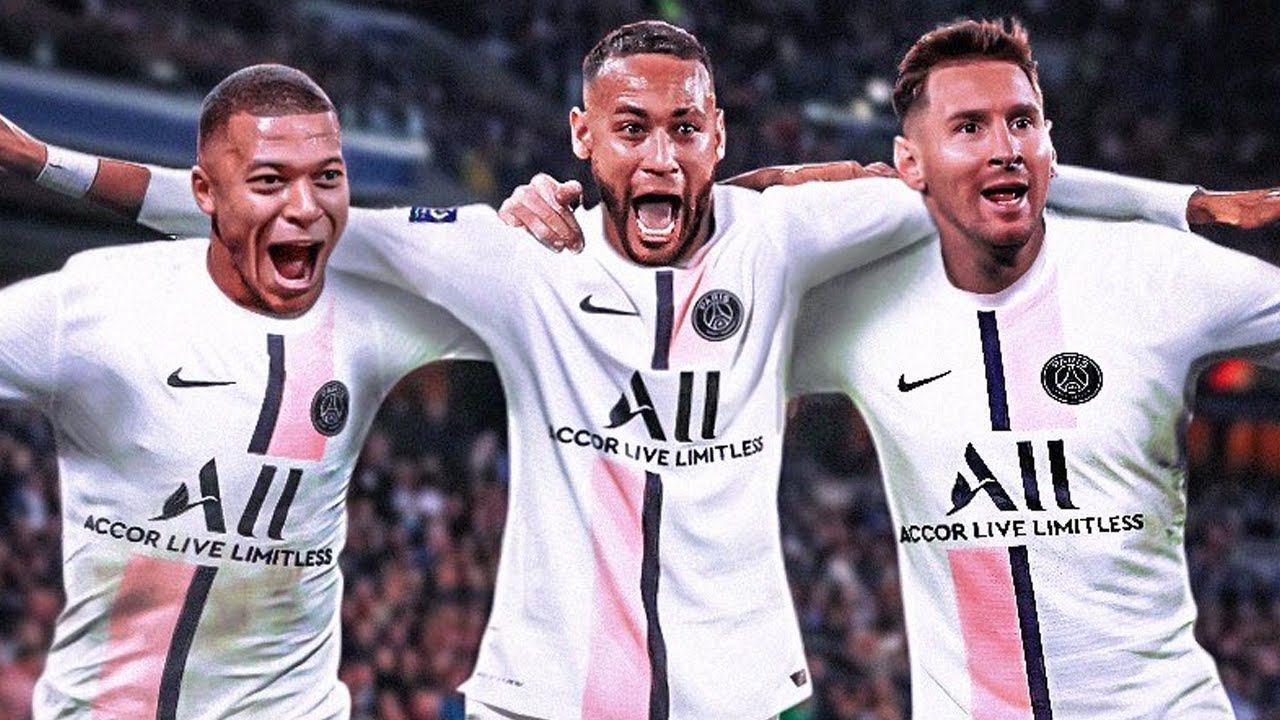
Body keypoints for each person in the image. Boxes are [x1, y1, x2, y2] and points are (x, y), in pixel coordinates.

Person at [2, 21, 1272, 720]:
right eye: (629, 131)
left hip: (750, 697)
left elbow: (974, 167)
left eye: (682, 129)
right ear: (581, 138)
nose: (658, 156)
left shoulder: (785, 236)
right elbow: (271, 208)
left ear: (717, 136)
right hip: (536, 700)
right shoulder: (513, 256)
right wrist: (46, 165)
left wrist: (1183, 206)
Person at [788, 18, 1280, 718]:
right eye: (969, 128)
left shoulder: (1157, 273)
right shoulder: (858, 308)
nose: (1005, 148)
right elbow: (693, 273)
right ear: (908, 164)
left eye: (1022, 122)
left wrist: (1180, 206)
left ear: (1050, 144)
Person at [0, 64, 495, 719]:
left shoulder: (379, 305)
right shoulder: (98, 304)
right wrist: (39, 162)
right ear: (205, 192)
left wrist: (543, 227)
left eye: (328, 177)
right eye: (269, 180)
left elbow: (542, 278)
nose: (305, 206)